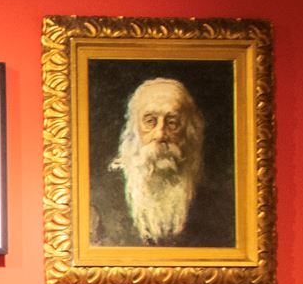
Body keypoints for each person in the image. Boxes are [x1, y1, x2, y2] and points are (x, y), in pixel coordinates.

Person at [88, 77, 232, 248]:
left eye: (172, 123)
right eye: (150, 121)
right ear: (134, 129)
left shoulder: (218, 207)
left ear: (189, 131)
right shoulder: (100, 202)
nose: (160, 134)